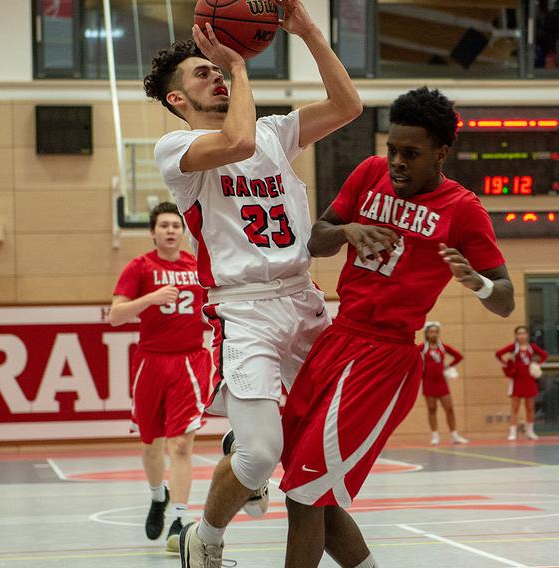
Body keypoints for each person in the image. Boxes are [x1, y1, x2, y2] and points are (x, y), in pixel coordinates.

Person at [143, 1, 362, 565]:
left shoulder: (273, 133)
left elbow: (348, 104)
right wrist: (239, 66)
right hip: (244, 310)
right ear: (176, 99)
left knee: (317, 458)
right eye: (202, 72)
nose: (215, 74)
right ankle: (206, 538)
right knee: (262, 457)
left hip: (306, 301)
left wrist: (307, 29)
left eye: (218, 69)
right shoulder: (177, 150)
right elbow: (236, 142)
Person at [278, 87, 515, 568]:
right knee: (303, 491)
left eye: (411, 154)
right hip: (336, 338)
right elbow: (317, 239)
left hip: (382, 359)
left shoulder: (462, 209)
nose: (397, 162)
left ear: (441, 153)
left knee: (306, 494)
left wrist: (479, 284)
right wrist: (346, 230)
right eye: (392, 149)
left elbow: (506, 298)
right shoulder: (369, 174)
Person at [109, 202, 210, 552]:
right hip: (151, 362)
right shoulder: (139, 267)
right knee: (150, 444)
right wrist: (150, 298)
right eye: (163, 225)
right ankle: (158, 496)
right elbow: (115, 316)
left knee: (181, 443)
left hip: (190, 361)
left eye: (175, 225)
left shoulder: (198, 265)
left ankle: (180, 518)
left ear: (182, 232)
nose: (170, 230)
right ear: (152, 232)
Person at [418, 321, 467, 445]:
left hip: (441, 382)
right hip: (428, 382)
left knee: (449, 408)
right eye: (431, 332)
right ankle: (435, 435)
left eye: (435, 332)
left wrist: (448, 366)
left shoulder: (443, 347)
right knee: (432, 408)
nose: (433, 334)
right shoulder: (422, 347)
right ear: (427, 334)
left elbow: (459, 356)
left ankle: (454, 434)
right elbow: (413, 358)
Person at [496, 326, 548, 441]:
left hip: (529, 379)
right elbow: (498, 354)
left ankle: (530, 431)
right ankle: (513, 432)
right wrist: (507, 364)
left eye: (524, 333)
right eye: (519, 333)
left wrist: (537, 364)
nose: (522, 336)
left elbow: (544, 356)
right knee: (515, 407)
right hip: (517, 380)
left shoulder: (532, 347)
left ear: (527, 335)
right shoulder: (513, 348)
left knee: (530, 407)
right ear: (515, 336)